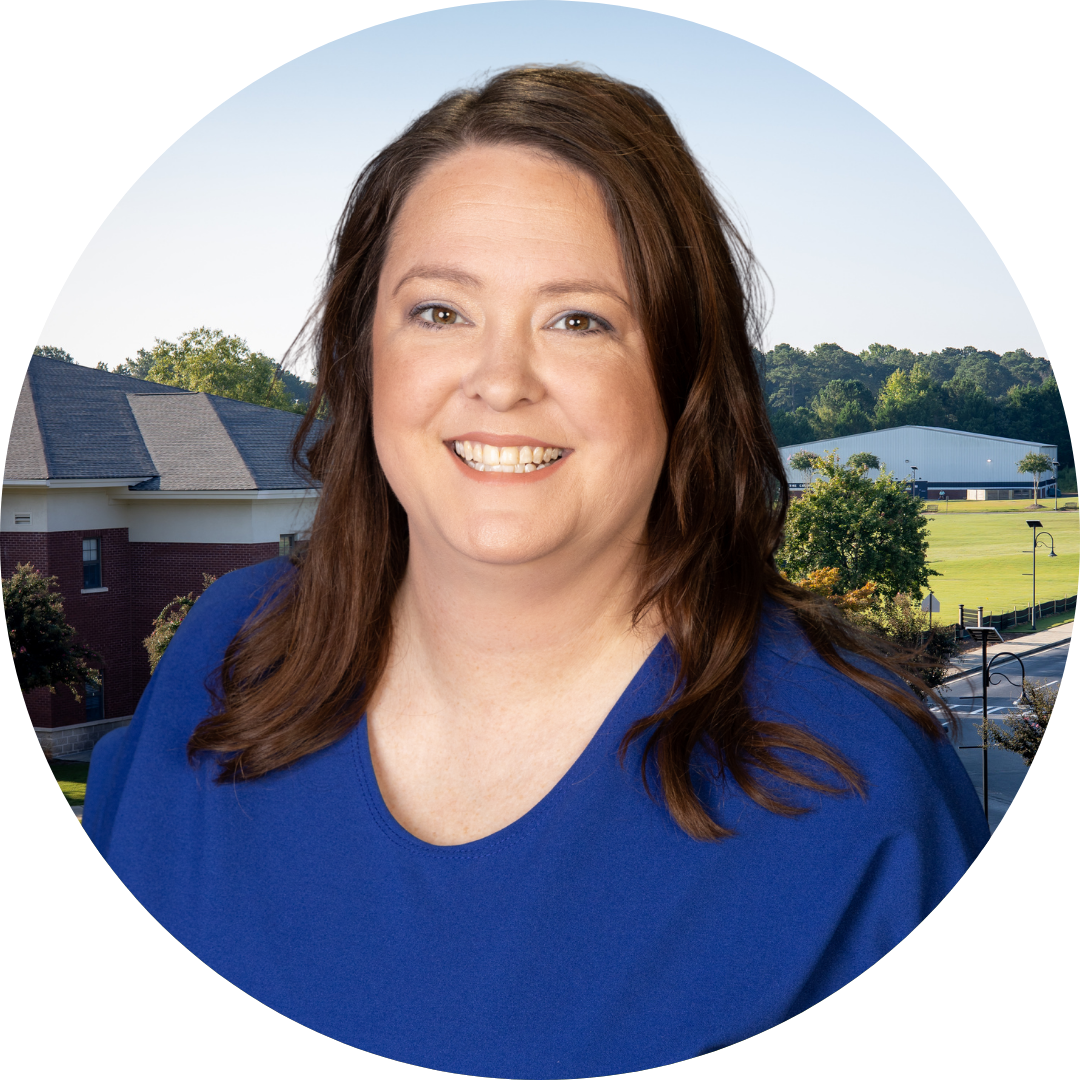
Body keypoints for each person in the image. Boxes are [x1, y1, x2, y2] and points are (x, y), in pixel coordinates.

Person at [84, 65, 989, 1076]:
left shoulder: (849, 797)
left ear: (685, 375)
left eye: (580, 320)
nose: (501, 381)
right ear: (360, 351)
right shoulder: (228, 656)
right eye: (439, 311)